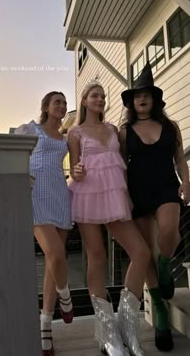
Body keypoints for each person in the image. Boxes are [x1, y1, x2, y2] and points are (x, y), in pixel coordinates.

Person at [68, 82, 151, 356]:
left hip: (115, 194)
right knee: (97, 256)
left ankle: (127, 327)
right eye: (95, 96)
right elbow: (74, 169)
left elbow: (123, 163)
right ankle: (108, 334)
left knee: (140, 252)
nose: (101, 100)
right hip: (88, 194)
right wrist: (77, 172)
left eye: (103, 96)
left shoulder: (114, 129)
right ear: (84, 100)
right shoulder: (75, 132)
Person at [119, 61, 190, 352]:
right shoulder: (125, 131)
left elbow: (180, 160)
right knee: (145, 251)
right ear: (132, 102)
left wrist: (186, 182)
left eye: (146, 94)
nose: (142, 98)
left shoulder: (170, 127)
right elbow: (121, 165)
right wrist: (122, 195)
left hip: (165, 187)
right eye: (137, 95)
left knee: (169, 232)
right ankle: (159, 309)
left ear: (155, 98)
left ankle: (165, 266)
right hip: (137, 192)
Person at [15, 91, 73, 356]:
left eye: (64, 102)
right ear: (46, 107)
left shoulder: (65, 137)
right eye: (57, 102)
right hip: (36, 195)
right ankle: (66, 295)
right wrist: (20, 176)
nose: (61, 106)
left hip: (60, 194)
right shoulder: (30, 128)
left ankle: (46, 326)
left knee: (53, 263)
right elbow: (10, 152)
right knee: (55, 253)